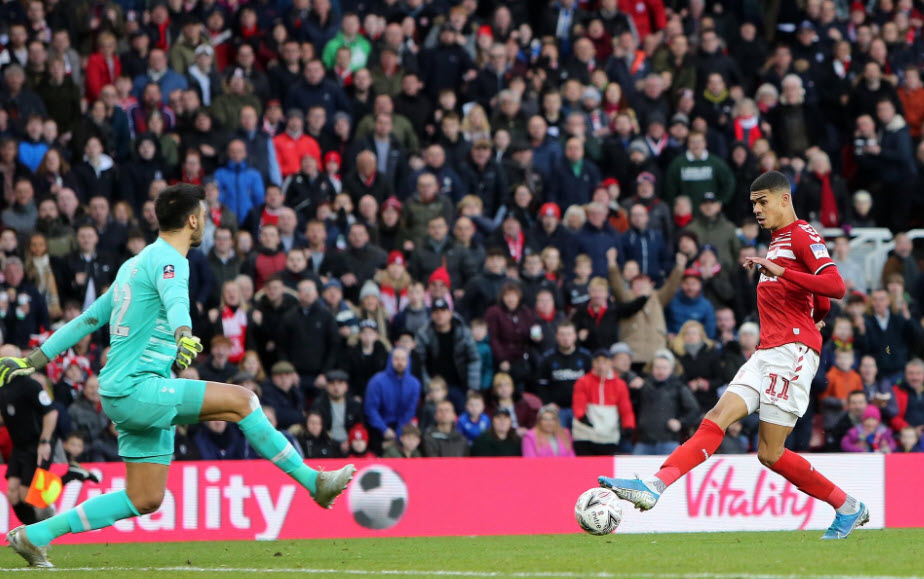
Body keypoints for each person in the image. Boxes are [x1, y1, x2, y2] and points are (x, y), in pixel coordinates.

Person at [0, 184, 354, 567]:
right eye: (204, 213)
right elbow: (176, 299)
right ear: (192, 219)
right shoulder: (171, 260)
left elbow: (88, 318)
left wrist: (33, 360)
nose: (206, 219)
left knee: (145, 498)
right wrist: (184, 333)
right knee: (243, 401)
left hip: (122, 391)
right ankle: (312, 482)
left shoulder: (133, 264)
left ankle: (34, 535)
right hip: (140, 387)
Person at [599, 171, 868, 540]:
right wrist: (815, 318)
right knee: (715, 418)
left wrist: (789, 285)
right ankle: (653, 487)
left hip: (791, 353)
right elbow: (818, 301)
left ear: (784, 199)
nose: (757, 209)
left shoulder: (803, 235)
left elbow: (834, 286)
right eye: (753, 203)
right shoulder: (777, 242)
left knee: (771, 454)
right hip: (766, 352)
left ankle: (847, 506)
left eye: (763, 201)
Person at [0, 344, 58, 527]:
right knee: (13, 494)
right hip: (20, 446)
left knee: (26, 494)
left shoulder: (30, 385)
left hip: (36, 443)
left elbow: (51, 412)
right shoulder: (3, 389)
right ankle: (31, 533)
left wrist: (45, 441)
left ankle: (45, 526)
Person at [631, 349, 701, 455]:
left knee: (674, 470)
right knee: (634, 471)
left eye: (664, 368)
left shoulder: (679, 387)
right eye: (657, 367)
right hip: (644, 441)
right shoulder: (643, 385)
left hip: (669, 441)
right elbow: (631, 406)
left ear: (671, 369)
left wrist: (680, 422)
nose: (660, 371)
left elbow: (695, 410)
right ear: (652, 368)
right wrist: (633, 389)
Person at [571, 349, 636, 455]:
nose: (601, 366)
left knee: (605, 468)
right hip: (585, 434)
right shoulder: (583, 382)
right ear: (593, 363)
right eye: (598, 361)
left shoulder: (619, 385)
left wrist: (628, 426)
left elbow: (626, 409)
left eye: (605, 362)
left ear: (611, 363)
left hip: (608, 435)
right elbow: (579, 402)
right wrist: (581, 416)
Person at [363, 347, 421, 452]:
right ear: (390, 360)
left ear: (408, 362)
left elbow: (410, 411)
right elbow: (370, 409)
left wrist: (399, 432)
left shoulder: (414, 384)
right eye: (396, 359)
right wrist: (384, 429)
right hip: (378, 427)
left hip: (402, 427)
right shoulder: (376, 381)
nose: (400, 362)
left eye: (403, 359)